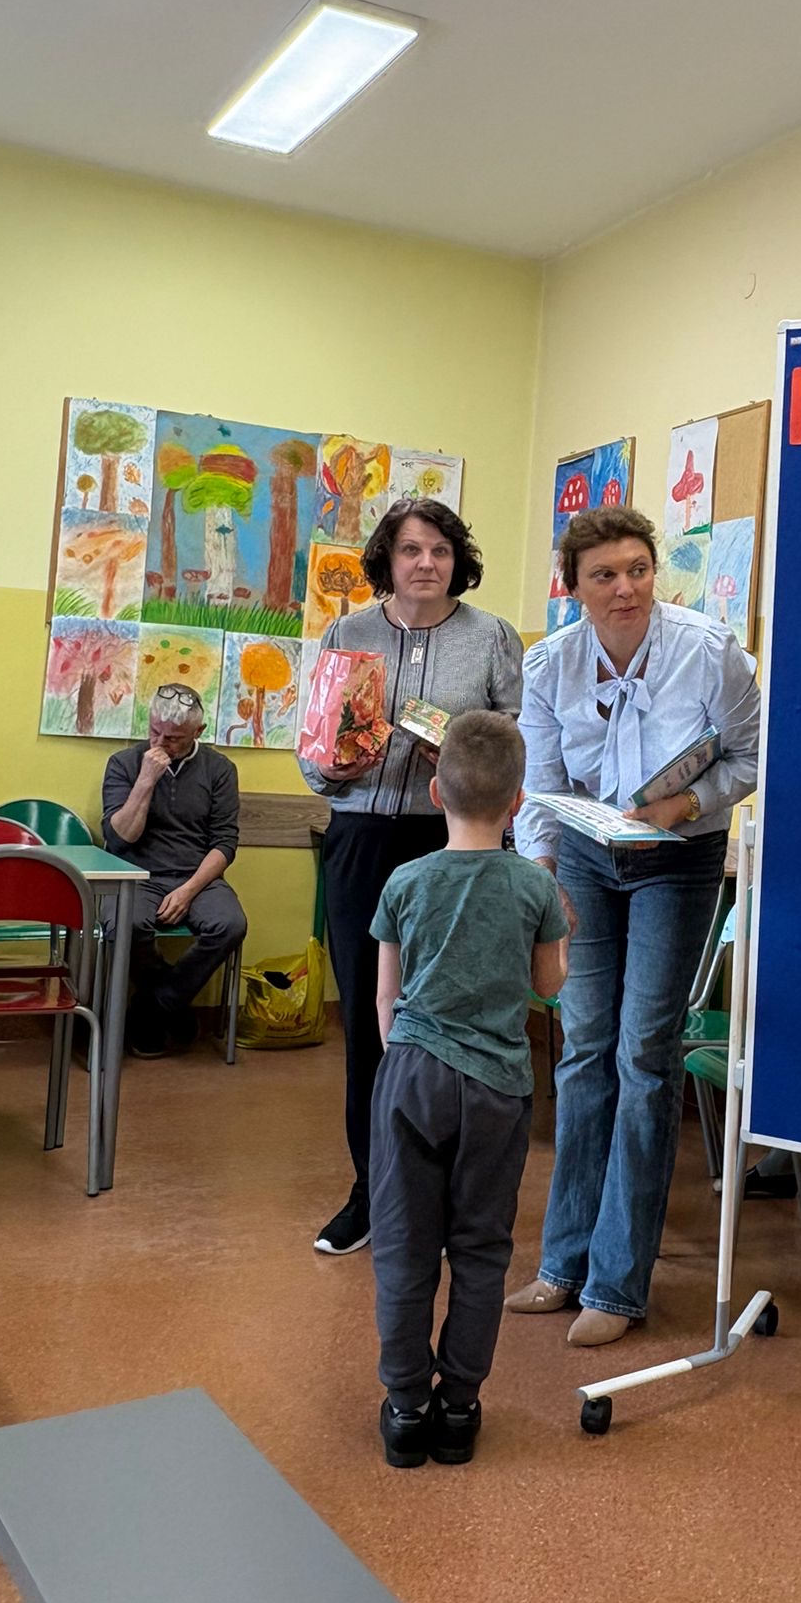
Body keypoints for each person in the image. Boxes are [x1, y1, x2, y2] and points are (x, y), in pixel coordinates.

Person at [507, 506, 761, 1346]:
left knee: (644, 1055)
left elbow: (753, 753)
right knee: (583, 1050)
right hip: (586, 853)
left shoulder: (710, 651)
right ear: (572, 587)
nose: (626, 589)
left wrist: (685, 805)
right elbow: (541, 780)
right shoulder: (550, 664)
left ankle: (617, 1286)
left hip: (679, 855)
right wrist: (544, 877)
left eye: (639, 569)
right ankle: (562, 1265)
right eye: (605, 575)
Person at [299, 496, 524, 1259]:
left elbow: (516, 746)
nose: (426, 563)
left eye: (440, 550)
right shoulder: (348, 634)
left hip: (454, 846)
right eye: (410, 550)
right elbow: (313, 751)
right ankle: (372, 1192)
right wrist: (335, 768)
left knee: (454, 1020)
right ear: (387, 561)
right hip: (361, 838)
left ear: (458, 561)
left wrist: (466, 763)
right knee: (373, 1023)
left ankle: (450, 1195)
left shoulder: (492, 638)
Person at [369, 711, 568, 1469]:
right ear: (518, 801)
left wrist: (405, 1065)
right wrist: (564, 938)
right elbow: (548, 986)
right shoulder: (534, 886)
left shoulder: (405, 881)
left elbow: (386, 1000)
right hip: (497, 1087)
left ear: (435, 792)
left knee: (404, 1247)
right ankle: (458, 1408)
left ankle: (405, 1407)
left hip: (413, 1075)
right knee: (481, 1249)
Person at [101, 681, 245, 1058]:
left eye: (174, 738)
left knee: (230, 925)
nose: (161, 743)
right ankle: (171, 1002)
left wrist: (188, 890)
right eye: (155, 732)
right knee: (125, 925)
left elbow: (224, 843)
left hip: (196, 875)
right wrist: (146, 780)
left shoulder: (220, 769)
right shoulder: (123, 763)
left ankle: (154, 1006)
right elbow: (119, 838)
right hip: (135, 872)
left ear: (198, 732)